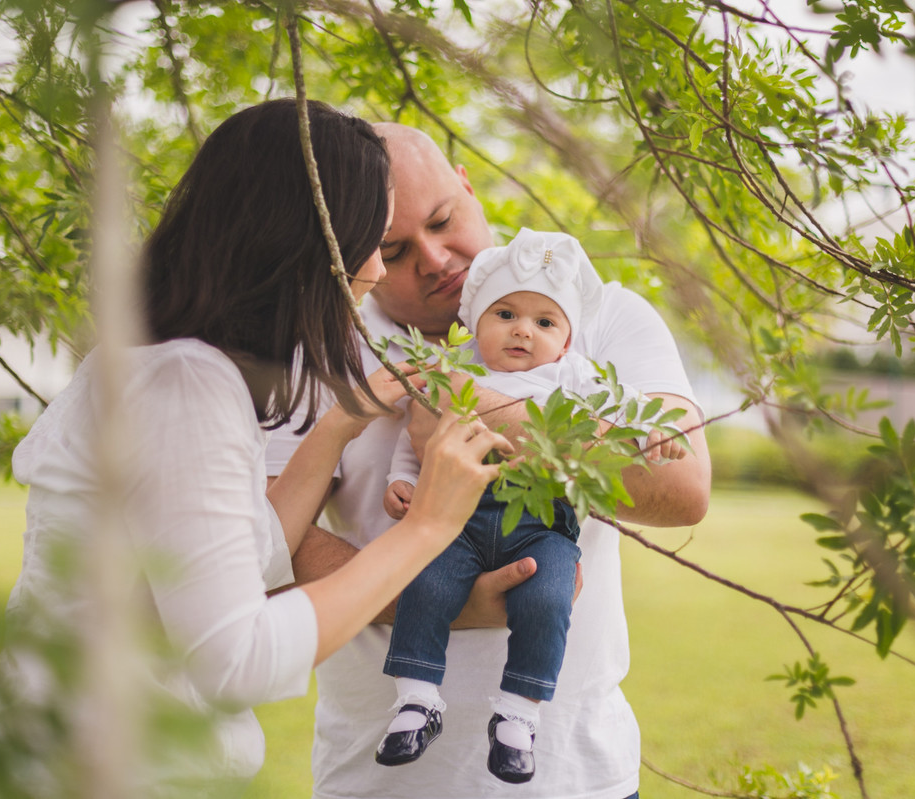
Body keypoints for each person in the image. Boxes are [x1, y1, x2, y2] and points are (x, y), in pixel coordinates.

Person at [0, 99, 510, 799]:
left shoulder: (180, 370)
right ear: (300, 240)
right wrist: (428, 528)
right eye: (370, 240)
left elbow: (246, 557)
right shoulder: (183, 386)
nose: (376, 273)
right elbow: (238, 660)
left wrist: (336, 427)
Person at [265, 123, 711, 799]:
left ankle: (518, 716)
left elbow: (679, 489)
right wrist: (447, 600)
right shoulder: (318, 347)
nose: (437, 257)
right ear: (353, 247)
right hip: (378, 780)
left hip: (574, 777)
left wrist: (461, 395)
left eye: (445, 219)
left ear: (468, 186)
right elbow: (266, 543)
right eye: (393, 246)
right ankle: (421, 698)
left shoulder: (602, 317)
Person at [375, 228, 686, 784]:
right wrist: (403, 479)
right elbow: (413, 436)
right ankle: (417, 701)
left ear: (565, 341)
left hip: (543, 525)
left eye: (545, 322)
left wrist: (650, 432)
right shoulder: (455, 367)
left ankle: (518, 715)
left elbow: (630, 405)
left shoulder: (573, 375)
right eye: (507, 314)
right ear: (475, 324)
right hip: (461, 521)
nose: (524, 329)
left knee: (547, 601)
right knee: (425, 586)